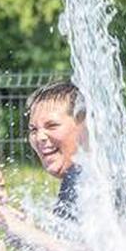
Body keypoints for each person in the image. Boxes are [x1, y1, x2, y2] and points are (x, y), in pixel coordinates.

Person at [26, 80, 86, 221]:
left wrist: (14, 227)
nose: (39, 137)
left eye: (52, 125)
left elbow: (64, 243)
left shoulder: (80, 179)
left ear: (84, 127)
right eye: (33, 130)